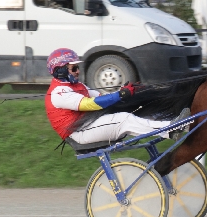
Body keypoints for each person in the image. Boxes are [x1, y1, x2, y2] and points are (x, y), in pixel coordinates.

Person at [45, 48, 190, 145]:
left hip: (88, 125)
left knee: (133, 110)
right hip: (80, 133)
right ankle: (170, 129)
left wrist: (128, 92)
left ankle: (173, 123)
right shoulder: (58, 93)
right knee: (123, 119)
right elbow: (91, 104)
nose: (78, 71)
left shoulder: (78, 86)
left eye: (78, 68)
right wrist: (120, 94)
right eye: (74, 68)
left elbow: (103, 97)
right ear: (61, 70)